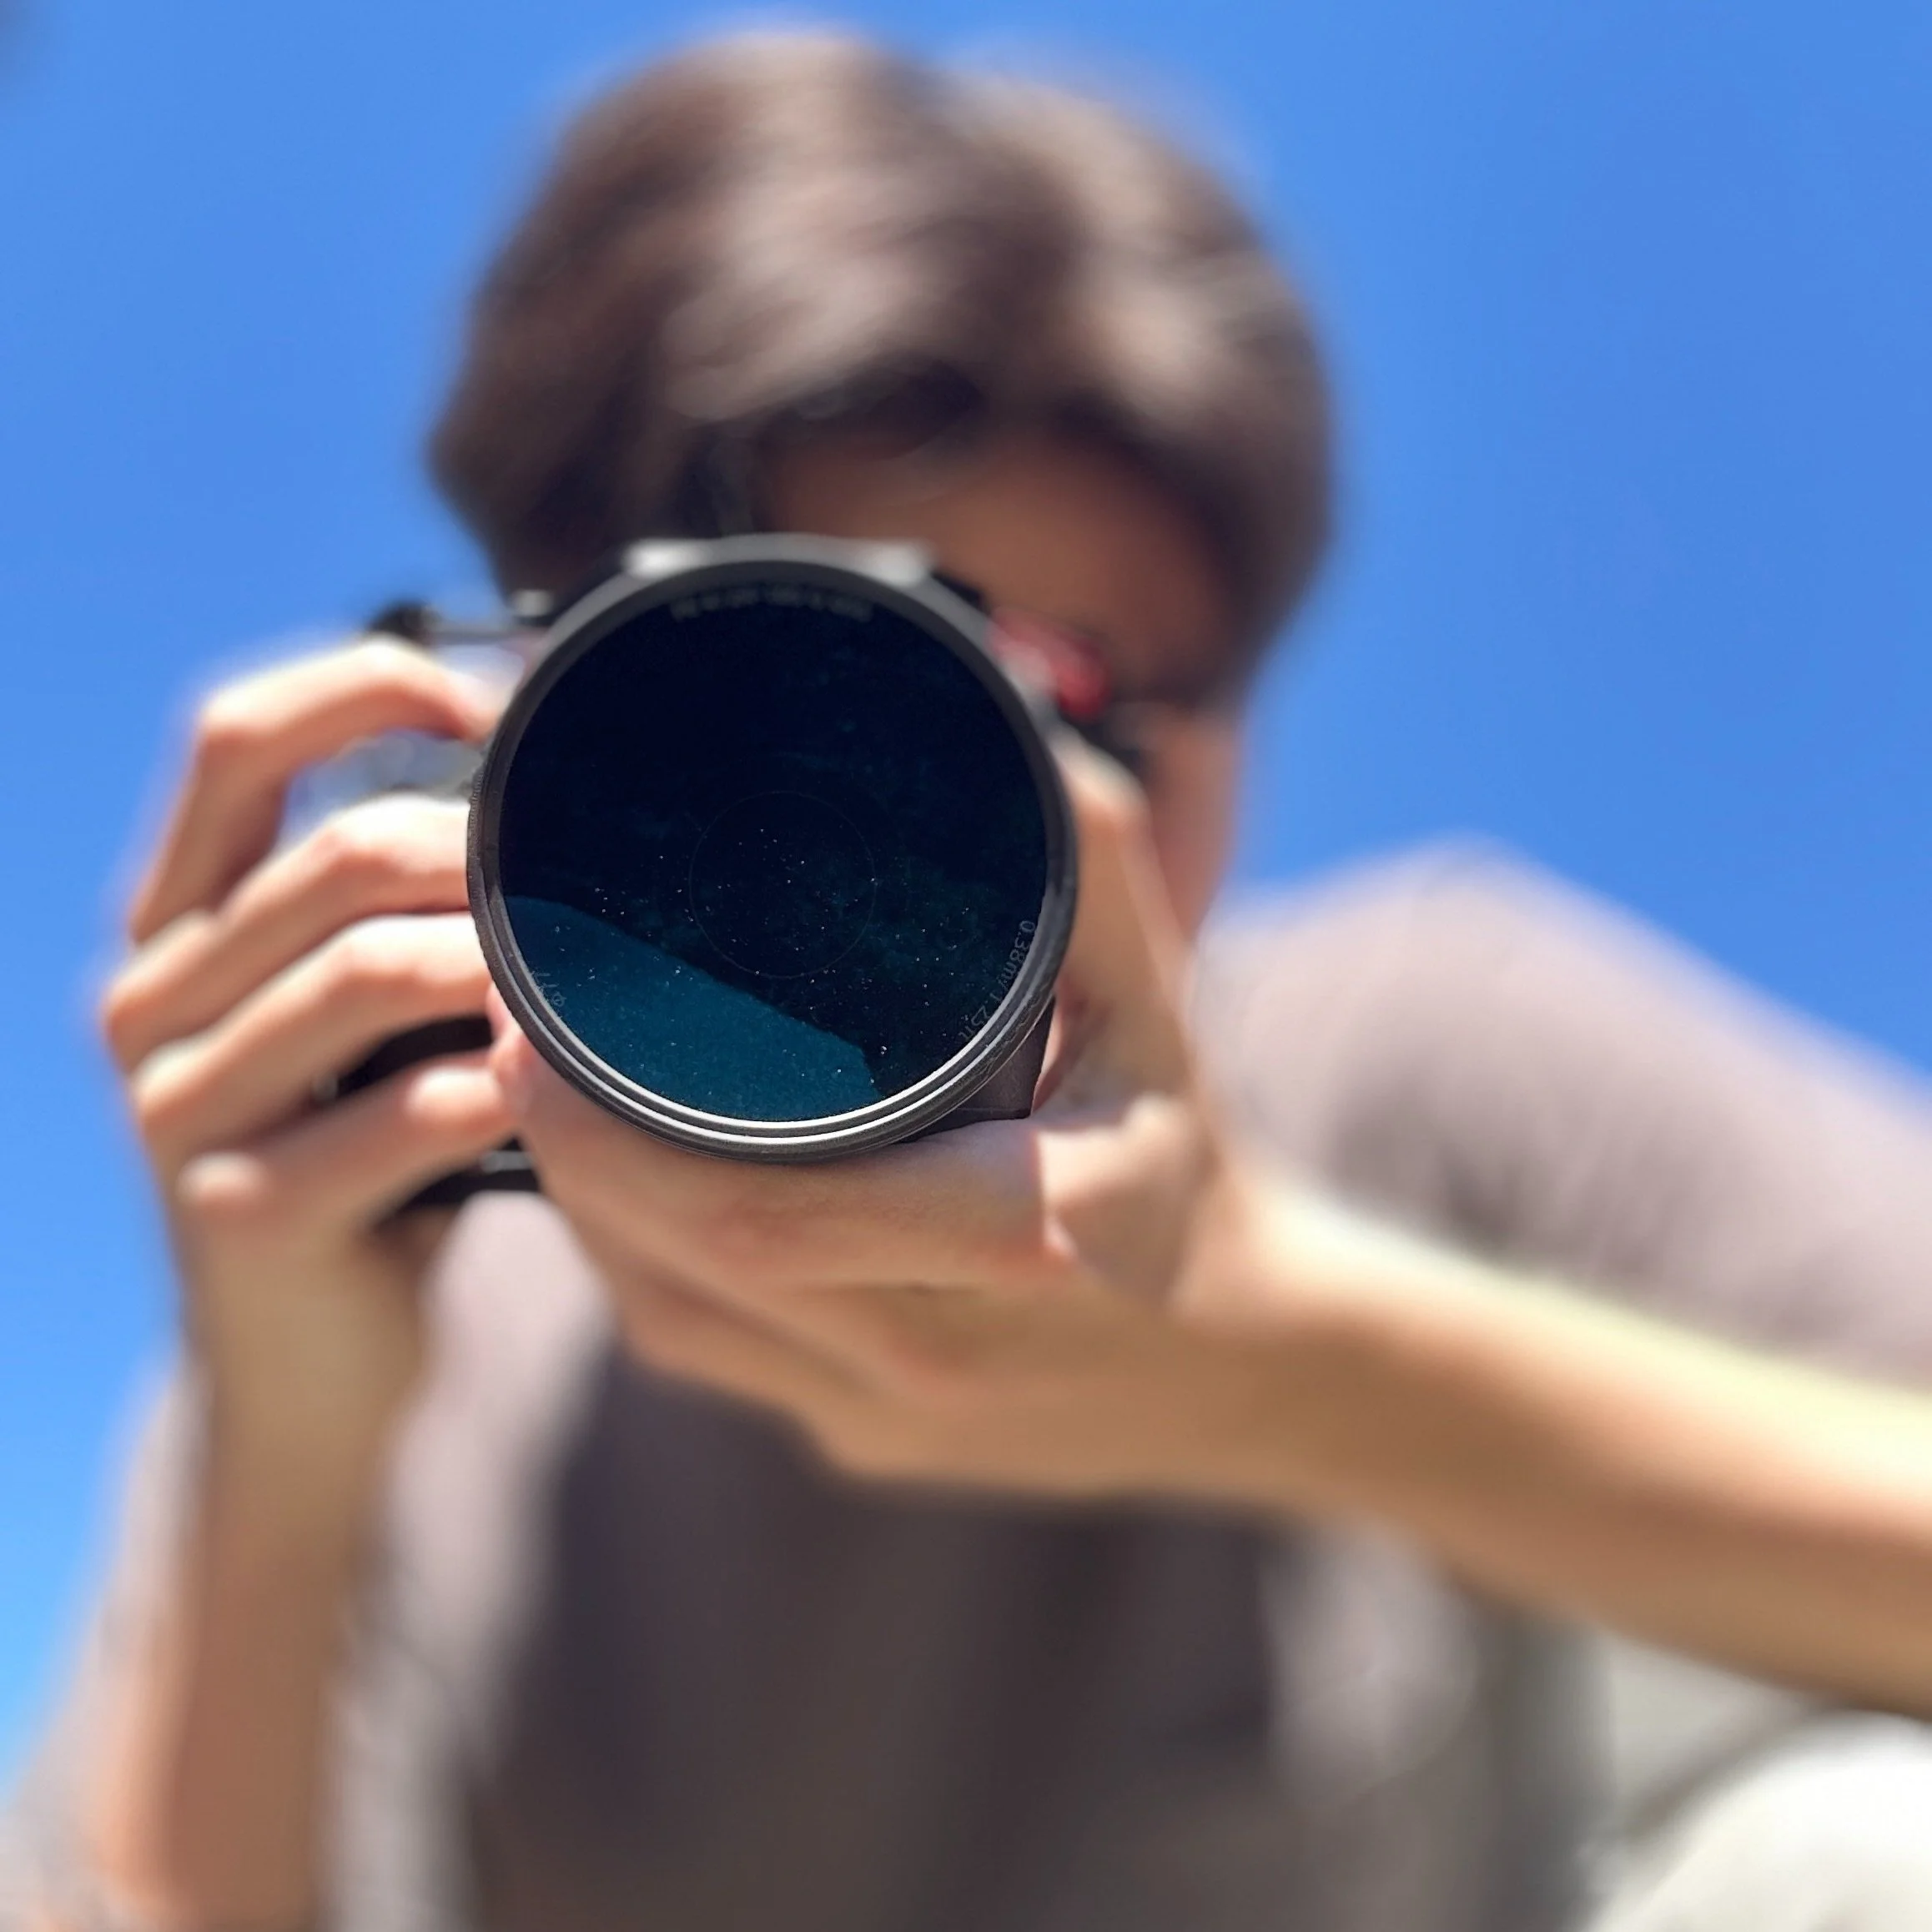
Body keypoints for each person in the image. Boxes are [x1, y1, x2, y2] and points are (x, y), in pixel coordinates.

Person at [9, 28, 1932, 1932]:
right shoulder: (385, 1267)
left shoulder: (1420, 1058)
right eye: (804, 709)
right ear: (538, 725)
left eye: (1066, 706)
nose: (931, 837)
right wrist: (281, 1458)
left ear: (1233, 750)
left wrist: (1286, 1367)